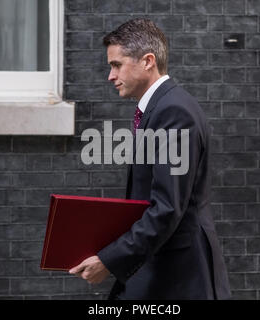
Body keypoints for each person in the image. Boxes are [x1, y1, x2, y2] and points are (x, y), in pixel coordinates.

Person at [69, 18, 231, 300]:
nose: (110, 75)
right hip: (159, 269)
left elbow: (167, 207)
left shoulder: (174, 112)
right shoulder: (160, 108)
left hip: (178, 276)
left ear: (147, 61)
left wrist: (110, 259)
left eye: (116, 65)